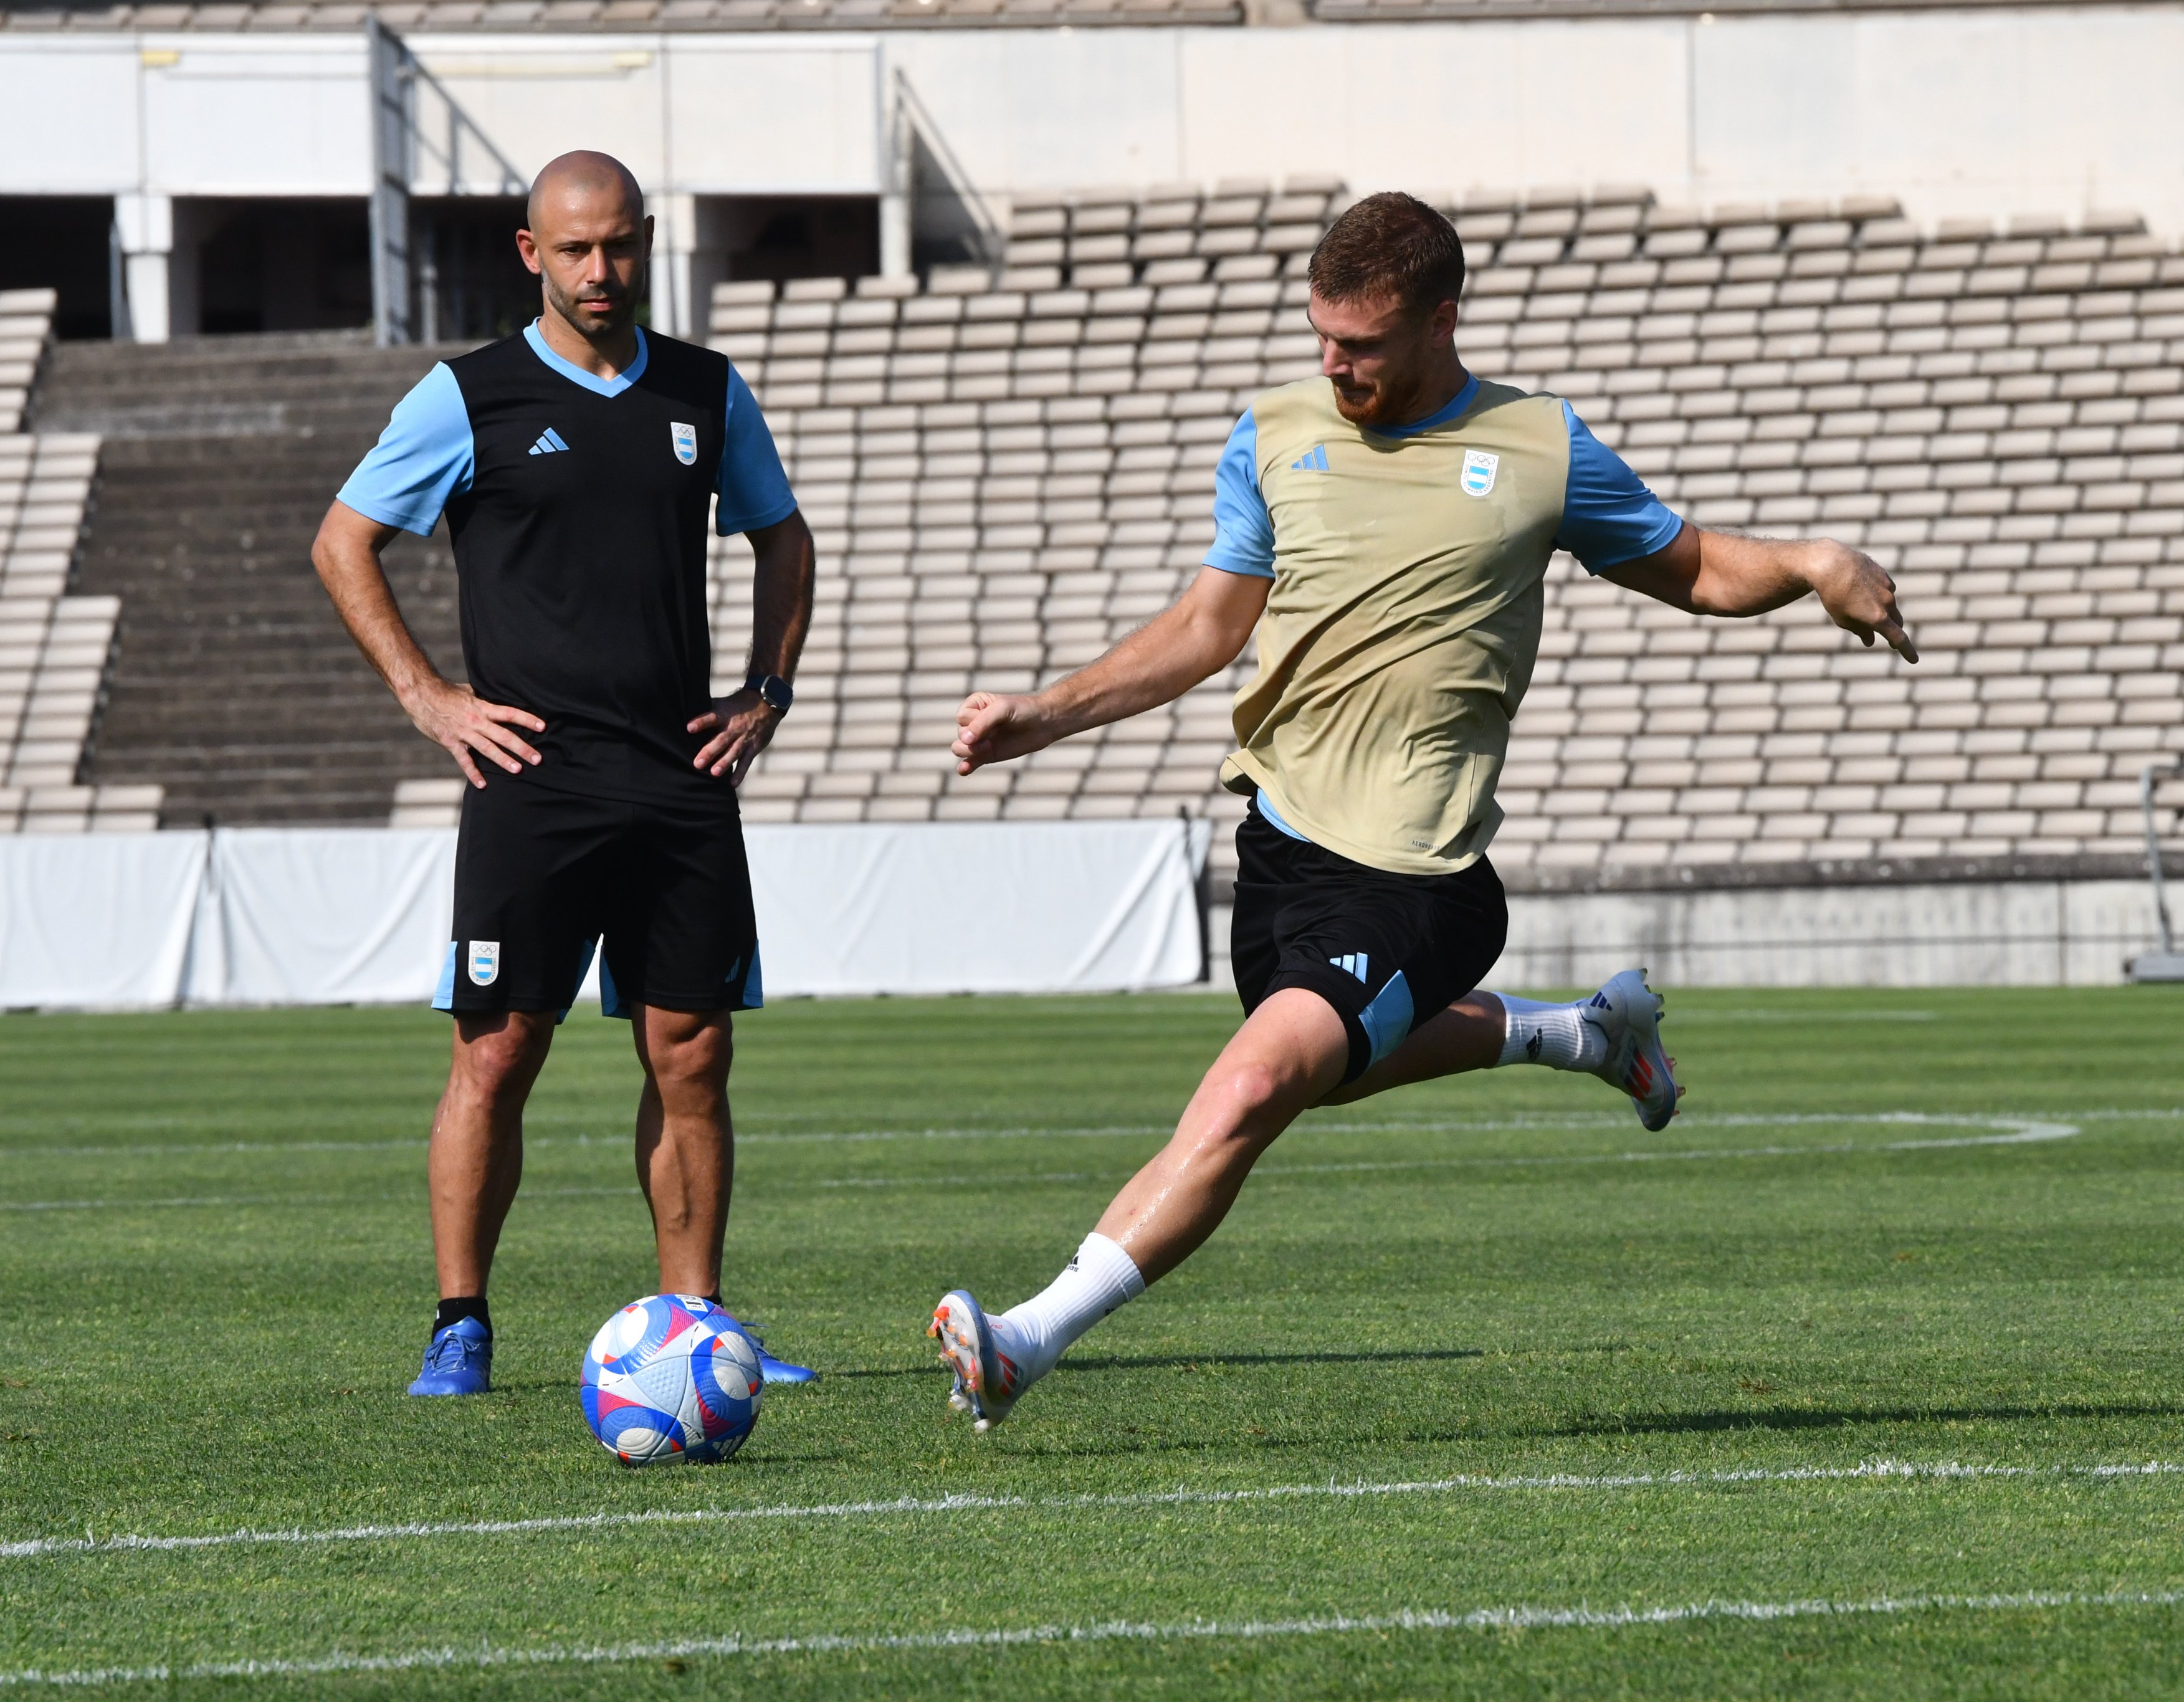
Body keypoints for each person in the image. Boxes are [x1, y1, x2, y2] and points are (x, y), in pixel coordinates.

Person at [927, 192, 1918, 1431]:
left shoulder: (1538, 446)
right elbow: (1204, 628)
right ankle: (1579, 1037)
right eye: (1320, 339)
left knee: (1249, 1089)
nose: (1333, 367)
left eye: (1363, 345)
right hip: (1280, 847)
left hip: (1419, 876)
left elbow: (1696, 565)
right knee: (1313, 1072)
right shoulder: (1274, 433)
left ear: (1440, 319)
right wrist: (1046, 712)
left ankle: (1024, 1339)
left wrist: (1815, 562)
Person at [310, 150, 819, 1397]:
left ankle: (694, 1326)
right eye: (575, 250)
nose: (601, 272)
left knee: (690, 1053)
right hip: (531, 780)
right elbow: (342, 543)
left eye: (620, 247)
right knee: (495, 1053)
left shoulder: (706, 390)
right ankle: (460, 1321)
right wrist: (430, 700)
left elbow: (784, 537)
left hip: (679, 776)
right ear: (530, 254)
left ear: (645, 244)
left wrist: (764, 692)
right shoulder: (464, 397)